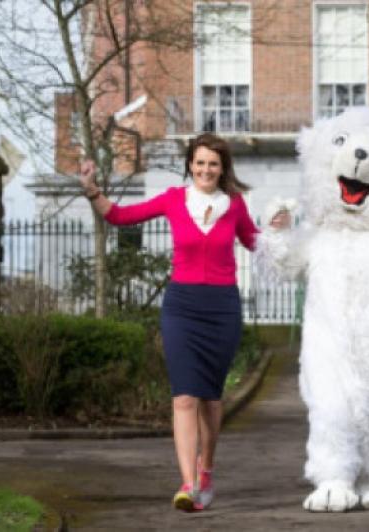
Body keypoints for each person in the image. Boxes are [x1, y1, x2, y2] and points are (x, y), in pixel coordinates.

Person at [79, 133, 259, 512]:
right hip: (182, 307)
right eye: (200, 162)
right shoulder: (173, 200)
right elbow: (121, 216)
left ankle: (206, 470)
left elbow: (255, 241)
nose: (206, 169)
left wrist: (279, 228)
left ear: (222, 167)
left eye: (213, 163)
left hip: (222, 308)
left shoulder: (235, 204)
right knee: (184, 397)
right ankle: (188, 484)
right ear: (190, 165)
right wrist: (93, 191)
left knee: (211, 401)